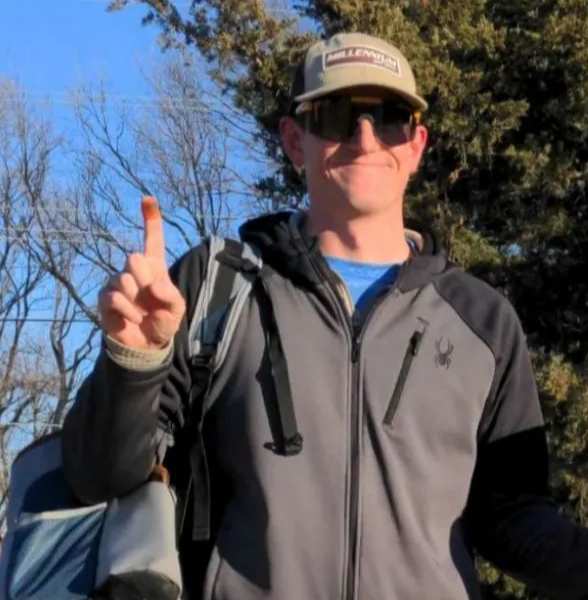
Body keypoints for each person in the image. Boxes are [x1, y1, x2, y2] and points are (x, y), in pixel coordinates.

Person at [62, 32, 588, 600]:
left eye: (390, 118)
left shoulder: (482, 321)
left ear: (416, 145)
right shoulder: (217, 289)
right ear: (295, 140)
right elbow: (98, 477)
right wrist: (134, 362)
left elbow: (513, 518)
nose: (365, 138)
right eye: (337, 115)